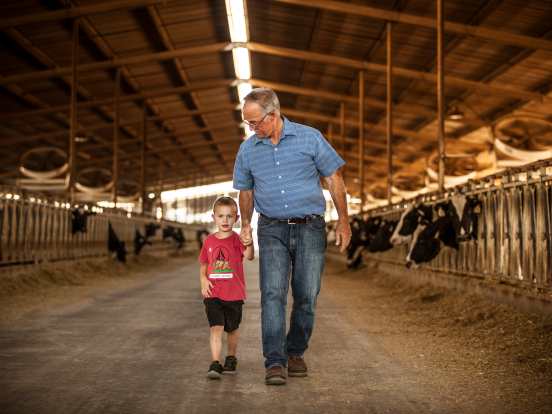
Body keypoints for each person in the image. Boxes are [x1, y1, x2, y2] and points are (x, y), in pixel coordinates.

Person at [233, 87, 351, 385]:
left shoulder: (309, 137)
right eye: (248, 123)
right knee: (272, 293)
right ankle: (274, 361)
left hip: (311, 227)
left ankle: (295, 352)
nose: (252, 128)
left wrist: (344, 221)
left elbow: (334, 178)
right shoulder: (248, 150)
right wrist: (245, 224)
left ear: (273, 115)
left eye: (255, 122)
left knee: (306, 295)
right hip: (271, 228)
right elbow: (244, 190)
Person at [199, 197, 254, 379]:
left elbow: (250, 256)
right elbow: (204, 264)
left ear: (236, 218)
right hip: (213, 292)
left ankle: (231, 357)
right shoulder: (208, 241)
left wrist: (249, 242)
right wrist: (203, 280)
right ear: (213, 217)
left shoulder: (238, 239)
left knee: (231, 328)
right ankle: (215, 363)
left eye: (229, 216)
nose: (225, 220)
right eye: (221, 216)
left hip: (234, 293)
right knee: (215, 327)